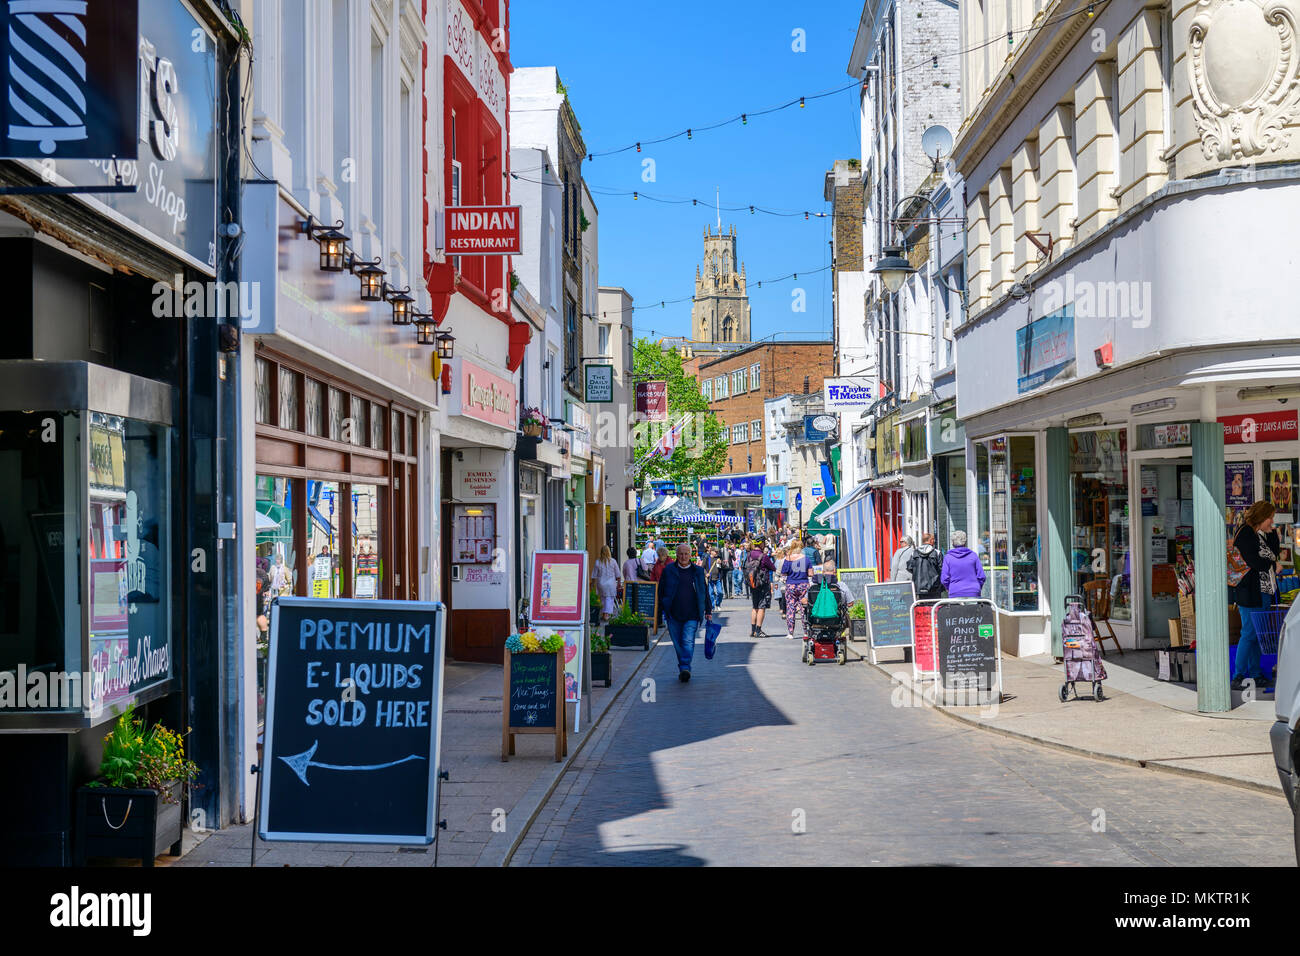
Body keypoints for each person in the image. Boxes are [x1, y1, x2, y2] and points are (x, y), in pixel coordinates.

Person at [1231, 500, 1280, 689]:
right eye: (1270, 518)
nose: (1272, 521)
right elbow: (1254, 561)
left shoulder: (1263, 534)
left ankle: (1256, 673)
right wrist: (1272, 566)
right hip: (1250, 592)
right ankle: (1239, 675)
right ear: (1262, 516)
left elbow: (1274, 554)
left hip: (1264, 591)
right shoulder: (1245, 533)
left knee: (1257, 634)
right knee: (1249, 633)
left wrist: (1273, 532)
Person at [660, 543, 713, 682]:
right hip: (673, 614)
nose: (683, 557)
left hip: (692, 614)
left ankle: (685, 667)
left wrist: (708, 610)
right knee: (677, 643)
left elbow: (704, 591)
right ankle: (684, 665)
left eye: (686, 554)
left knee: (688, 641)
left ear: (691, 555)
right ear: (676, 555)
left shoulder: (698, 571)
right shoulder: (669, 570)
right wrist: (661, 609)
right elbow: (661, 591)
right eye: (681, 554)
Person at [745, 537, 778, 638]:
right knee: (762, 607)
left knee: (754, 607)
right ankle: (758, 631)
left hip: (752, 583)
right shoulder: (764, 556)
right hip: (763, 584)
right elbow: (773, 568)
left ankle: (753, 630)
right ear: (761, 544)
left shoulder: (749, 555)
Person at [781, 542, 813, 640]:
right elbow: (811, 574)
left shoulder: (788, 558)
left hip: (791, 585)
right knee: (804, 608)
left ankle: (790, 632)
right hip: (803, 584)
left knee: (790, 608)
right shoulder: (806, 559)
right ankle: (805, 632)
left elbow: (784, 573)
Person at [941, 531, 986, 598]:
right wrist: (977, 587)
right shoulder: (973, 555)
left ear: (953, 543)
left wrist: (949, 588)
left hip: (955, 592)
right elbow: (981, 576)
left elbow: (944, 579)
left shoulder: (948, 558)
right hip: (973, 592)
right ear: (965, 542)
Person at [908, 532, 945, 600]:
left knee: (922, 608)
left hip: (919, 587)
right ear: (930, 540)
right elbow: (942, 569)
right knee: (935, 608)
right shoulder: (937, 552)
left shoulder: (914, 553)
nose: (934, 541)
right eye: (933, 539)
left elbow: (910, 567)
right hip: (934, 587)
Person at [591, 544, 622, 622]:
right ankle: (606, 614)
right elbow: (618, 574)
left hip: (601, 583)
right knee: (609, 599)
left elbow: (594, 575)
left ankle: (604, 613)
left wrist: (592, 584)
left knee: (603, 598)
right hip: (611, 583)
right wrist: (618, 583)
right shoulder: (613, 561)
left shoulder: (598, 562)